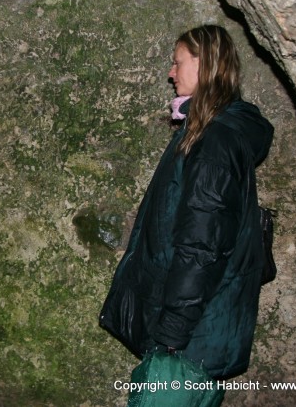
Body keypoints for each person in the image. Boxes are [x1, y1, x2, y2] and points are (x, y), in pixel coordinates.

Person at [99, 25, 274, 381]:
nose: (170, 72)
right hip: (202, 318)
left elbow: (202, 244)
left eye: (178, 63)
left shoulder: (215, 142)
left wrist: (173, 332)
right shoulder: (208, 131)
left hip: (195, 328)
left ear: (205, 64)